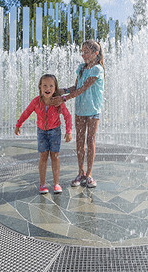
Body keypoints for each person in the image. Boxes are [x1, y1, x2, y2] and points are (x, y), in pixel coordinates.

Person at [51, 39, 104, 188]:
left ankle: (89, 174)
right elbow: (76, 87)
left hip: (93, 110)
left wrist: (64, 98)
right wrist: (63, 91)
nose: (83, 55)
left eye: (86, 52)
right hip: (80, 110)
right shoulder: (82, 68)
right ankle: (80, 172)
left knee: (90, 141)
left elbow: (84, 89)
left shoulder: (97, 69)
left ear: (95, 53)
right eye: (82, 52)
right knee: (80, 141)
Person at [15, 74, 72, 194]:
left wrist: (69, 131)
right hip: (41, 132)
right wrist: (18, 124)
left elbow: (67, 116)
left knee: (55, 156)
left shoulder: (58, 102)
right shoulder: (36, 102)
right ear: (40, 87)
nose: (48, 88)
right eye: (45, 85)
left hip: (55, 131)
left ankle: (56, 183)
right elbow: (26, 112)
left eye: (51, 86)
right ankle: (42, 184)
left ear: (55, 88)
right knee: (43, 156)